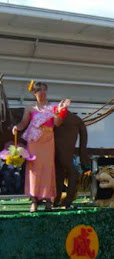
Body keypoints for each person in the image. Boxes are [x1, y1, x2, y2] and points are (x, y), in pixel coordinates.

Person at [12, 81, 70, 212]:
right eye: (40, 90)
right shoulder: (30, 108)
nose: (42, 92)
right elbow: (23, 123)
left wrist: (61, 112)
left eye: (45, 90)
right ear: (34, 93)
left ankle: (48, 200)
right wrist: (17, 127)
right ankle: (34, 200)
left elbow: (57, 123)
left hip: (48, 140)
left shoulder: (53, 107)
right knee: (34, 169)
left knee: (48, 169)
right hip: (34, 140)